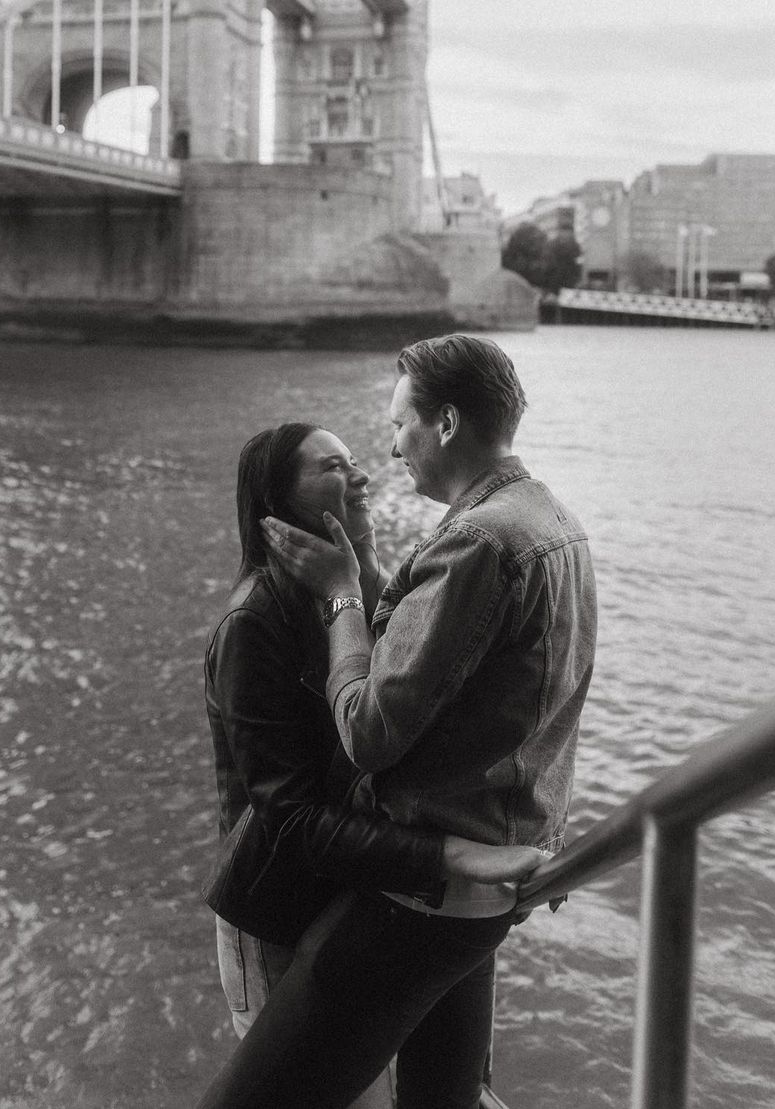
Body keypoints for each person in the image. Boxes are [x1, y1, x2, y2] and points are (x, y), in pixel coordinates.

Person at [197, 335, 598, 1109]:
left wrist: (346, 590)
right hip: (423, 887)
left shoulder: (476, 539)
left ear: (445, 423)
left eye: (397, 425)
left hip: (419, 897)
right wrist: (513, 845)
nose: (382, 455)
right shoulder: (554, 521)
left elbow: (371, 727)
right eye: (335, 465)